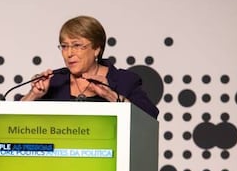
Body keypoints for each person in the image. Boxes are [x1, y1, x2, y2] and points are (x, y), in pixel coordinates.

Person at [20, 15, 159, 119]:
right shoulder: (53, 83)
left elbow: (149, 117)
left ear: (96, 48)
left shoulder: (124, 81)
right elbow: (13, 122)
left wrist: (110, 96)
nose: (69, 53)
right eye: (64, 46)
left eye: (77, 45)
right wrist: (34, 95)